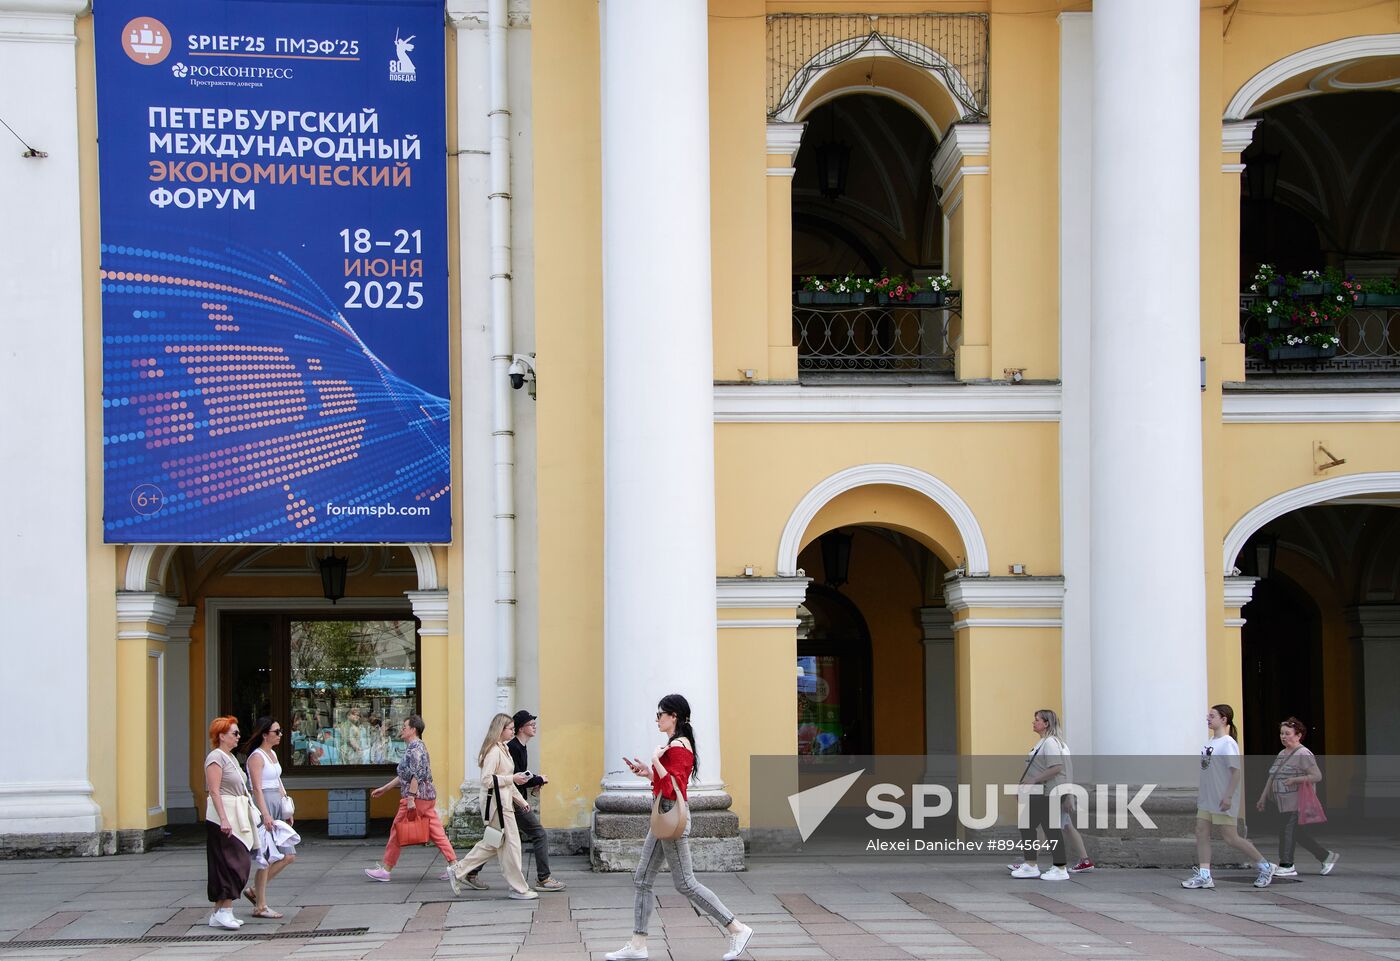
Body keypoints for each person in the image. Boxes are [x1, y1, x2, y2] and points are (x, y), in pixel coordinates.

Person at [605, 694, 753, 961]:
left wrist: (655, 760)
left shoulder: (679, 746)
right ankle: (638, 944)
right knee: (642, 879)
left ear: (674, 716)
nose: (657, 719)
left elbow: (673, 786)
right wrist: (649, 771)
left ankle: (737, 928)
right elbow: (668, 784)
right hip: (663, 818)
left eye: (660, 714)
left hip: (671, 819)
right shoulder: (674, 745)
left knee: (685, 882)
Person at [463, 710, 566, 892]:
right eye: (530, 724)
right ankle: (537, 880)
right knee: (527, 838)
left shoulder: (509, 747)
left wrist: (529, 787)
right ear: (518, 729)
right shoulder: (506, 748)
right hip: (505, 803)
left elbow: (514, 777)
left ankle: (466, 871)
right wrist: (536, 780)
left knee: (495, 841)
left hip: (511, 801)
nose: (534, 727)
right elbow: (504, 778)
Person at [1182, 704, 1275, 889]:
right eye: (1208, 715)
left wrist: (1229, 796)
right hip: (1207, 798)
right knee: (1201, 832)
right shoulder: (1211, 741)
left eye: (1212, 716)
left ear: (1224, 719)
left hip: (1221, 797)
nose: (1208, 718)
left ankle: (1265, 866)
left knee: (1231, 837)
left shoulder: (1228, 743)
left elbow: (1236, 772)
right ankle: (1204, 875)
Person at [448, 714, 538, 899]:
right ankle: (518, 888)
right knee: (511, 846)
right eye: (510, 728)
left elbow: (506, 780)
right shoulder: (494, 751)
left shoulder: (503, 748)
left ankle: (457, 871)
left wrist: (521, 801)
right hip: (497, 805)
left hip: (503, 802)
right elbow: (487, 780)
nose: (513, 731)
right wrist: (512, 779)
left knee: (492, 843)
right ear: (500, 729)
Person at [364, 715, 461, 882]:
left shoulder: (414, 749)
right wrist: (385, 789)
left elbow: (415, 776)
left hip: (416, 798)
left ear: (413, 730)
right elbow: (405, 776)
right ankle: (455, 867)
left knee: (396, 830)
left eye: (404, 727)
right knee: (437, 832)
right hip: (426, 797)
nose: (402, 729)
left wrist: (410, 799)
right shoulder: (418, 746)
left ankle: (386, 869)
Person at [1255, 716, 1340, 877]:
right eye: (1281, 733)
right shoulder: (1282, 753)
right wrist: (1263, 797)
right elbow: (1272, 776)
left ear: (1298, 735)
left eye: (1287, 733)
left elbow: (1316, 776)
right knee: (1296, 833)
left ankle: (1287, 864)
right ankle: (1326, 856)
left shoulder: (1303, 753)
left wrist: (1295, 779)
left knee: (1287, 831)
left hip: (1295, 802)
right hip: (1281, 802)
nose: (1283, 736)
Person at [204, 716, 255, 930]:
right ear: (221, 736)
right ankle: (224, 910)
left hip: (236, 812)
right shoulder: (216, 757)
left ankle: (221, 911)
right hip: (223, 815)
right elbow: (214, 790)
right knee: (231, 863)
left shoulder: (230, 757)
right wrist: (223, 818)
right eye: (234, 733)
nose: (238, 736)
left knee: (235, 862)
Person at [243, 717, 297, 919]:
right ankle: (261, 905)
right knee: (266, 857)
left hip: (276, 801)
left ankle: (256, 892)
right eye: (277, 731)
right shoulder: (256, 757)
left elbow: (278, 780)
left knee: (288, 854)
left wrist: (286, 808)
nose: (280, 735)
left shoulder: (272, 754)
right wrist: (265, 814)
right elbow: (256, 787)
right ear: (265, 734)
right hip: (264, 802)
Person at [1009, 709, 1070, 881]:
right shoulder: (1043, 742)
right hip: (1040, 791)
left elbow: (1057, 767)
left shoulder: (1050, 742)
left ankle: (1059, 868)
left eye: (1037, 720)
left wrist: (1032, 781)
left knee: (1050, 829)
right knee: (1028, 825)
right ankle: (1031, 865)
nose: (1033, 722)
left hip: (1049, 791)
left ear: (1046, 723)